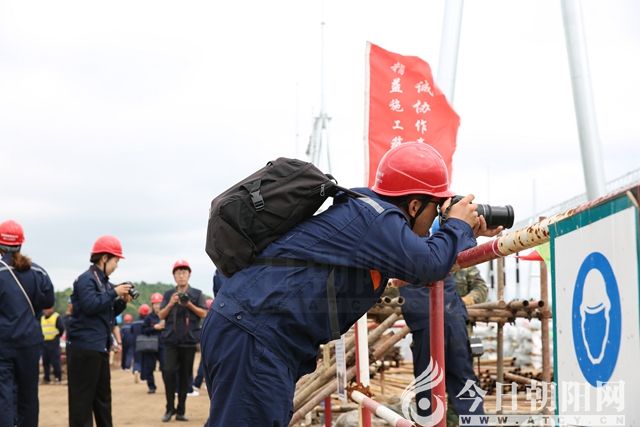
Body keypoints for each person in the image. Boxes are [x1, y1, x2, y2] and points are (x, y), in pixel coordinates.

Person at [200, 142, 502, 426]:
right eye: (435, 209)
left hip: (251, 332)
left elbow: (425, 256)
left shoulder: (369, 215)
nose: (436, 218)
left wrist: (465, 232)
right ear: (413, 205)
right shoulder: (376, 219)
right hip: (255, 337)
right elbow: (428, 265)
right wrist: (457, 225)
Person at [400, 264, 489, 426]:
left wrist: (464, 301)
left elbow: (481, 288)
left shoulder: (463, 263)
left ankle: (461, 422)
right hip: (437, 322)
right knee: (438, 382)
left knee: (450, 380)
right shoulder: (443, 257)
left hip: (450, 326)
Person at [66, 235, 133, 427]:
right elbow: (90, 306)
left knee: (103, 399)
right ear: (104, 258)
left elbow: (106, 313)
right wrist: (114, 292)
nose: (117, 265)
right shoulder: (86, 280)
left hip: (99, 348)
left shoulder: (104, 282)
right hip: (83, 349)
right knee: (82, 403)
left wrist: (122, 301)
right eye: (116, 261)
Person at [0, 219, 55, 427]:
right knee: (29, 395)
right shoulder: (39, 272)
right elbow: (48, 302)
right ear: (21, 243)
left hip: (3, 344)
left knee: (4, 396)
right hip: (30, 343)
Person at [159, 259, 207, 422]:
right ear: (174, 276)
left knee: (185, 376)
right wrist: (171, 303)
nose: (181, 276)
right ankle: (169, 408)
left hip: (188, 341)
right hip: (170, 341)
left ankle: (181, 411)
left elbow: (204, 313)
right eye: (178, 273)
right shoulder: (168, 294)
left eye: (184, 272)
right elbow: (161, 315)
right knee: (168, 372)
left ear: (189, 275)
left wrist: (189, 304)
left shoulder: (197, 294)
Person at [141, 293, 165, 394]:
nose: (157, 306)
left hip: (164, 345)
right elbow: (143, 330)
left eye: (159, 303)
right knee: (149, 367)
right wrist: (154, 327)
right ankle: (151, 386)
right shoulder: (148, 318)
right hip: (151, 346)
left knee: (166, 367)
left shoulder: (166, 316)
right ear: (152, 305)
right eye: (155, 304)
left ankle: (169, 386)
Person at [190, 298, 213, 396]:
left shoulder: (203, 319)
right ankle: (198, 384)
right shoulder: (211, 318)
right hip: (210, 344)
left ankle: (198, 384)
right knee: (206, 364)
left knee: (204, 364)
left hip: (205, 343)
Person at [41, 306, 65, 384]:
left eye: (47, 308)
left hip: (54, 342)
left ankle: (58, 378)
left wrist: (57, 336)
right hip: (44, 342)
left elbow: (61, 328)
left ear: (52, 309)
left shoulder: (56, 317)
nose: (46, 310)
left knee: (55, 361)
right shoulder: (42, 318)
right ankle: (46, 378)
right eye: (45, 309)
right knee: (45, 361)